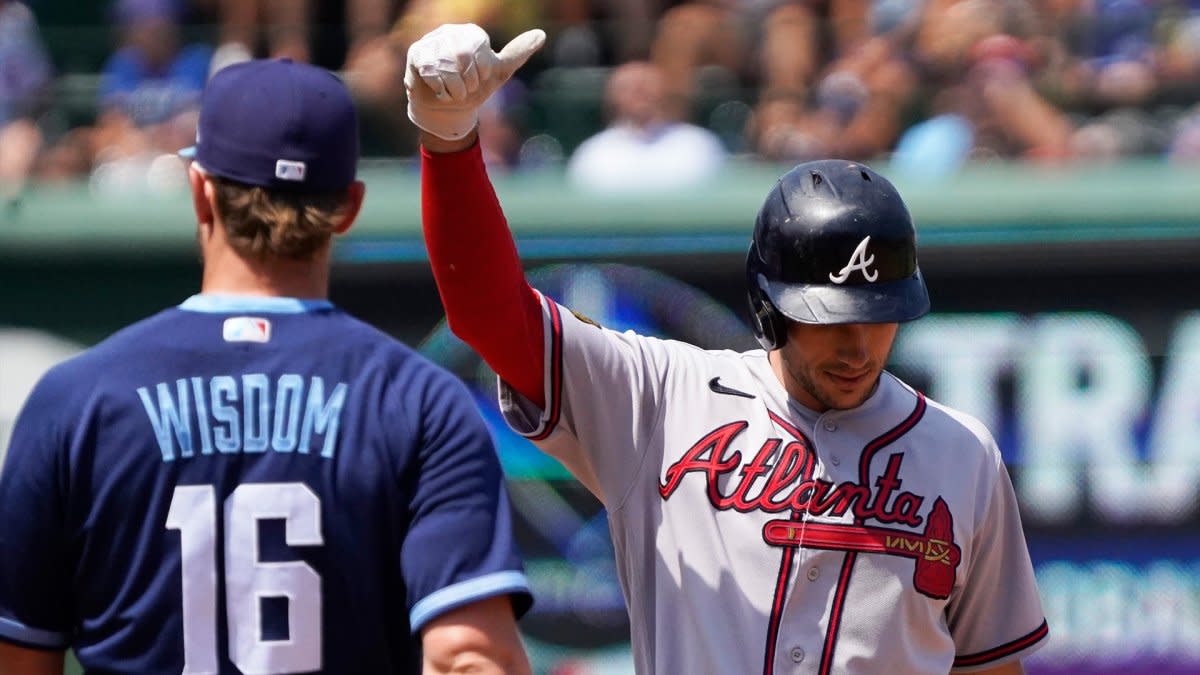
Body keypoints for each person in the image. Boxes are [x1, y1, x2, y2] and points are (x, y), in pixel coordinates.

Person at [407, 23, 1049, 675]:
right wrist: (450, 140)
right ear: (769, 304)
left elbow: (990, 667)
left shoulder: (963, 454)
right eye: (828, 318)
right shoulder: (662, 397)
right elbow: (492, 317)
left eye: (879, 316)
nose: (858, 344)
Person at [0, 58, 533, 675]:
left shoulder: (76, 398)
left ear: (201, 191)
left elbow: (20, 658)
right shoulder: (419, 401)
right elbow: (468, 656)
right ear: (349, 207)